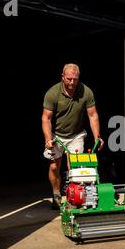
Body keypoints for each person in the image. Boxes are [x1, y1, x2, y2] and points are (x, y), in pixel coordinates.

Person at [42, 63, 104, 209]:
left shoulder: (86, 92)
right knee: (53, 167)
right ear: (63, 77)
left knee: (75, 168)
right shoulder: (53, 93)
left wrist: (97, 137)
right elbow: (46, 118)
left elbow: (93, 115)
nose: (72, 82)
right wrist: (47, 138)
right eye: (69, 79)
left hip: (76, 135)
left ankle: (73, 198)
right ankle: (56, 194)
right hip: (56, 135)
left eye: (75, 79)